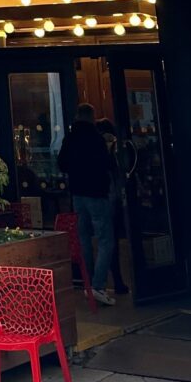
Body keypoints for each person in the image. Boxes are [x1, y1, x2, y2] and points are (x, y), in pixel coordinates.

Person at [57, 103, 116, 305]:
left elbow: (61, 164)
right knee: (105, 239)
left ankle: (88, 284)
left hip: (78, 194)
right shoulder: (96, 138)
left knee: (83, 239)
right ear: (92, 117)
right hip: (97, 192)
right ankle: (98, 285)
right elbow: (107, 164)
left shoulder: (71, 138)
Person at [96, 119, 129, 297]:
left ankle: (106, 281)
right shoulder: (112, 146)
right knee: (111, 240)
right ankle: (113, 281)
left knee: (107, 240)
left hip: (102, 197)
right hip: (112, 196)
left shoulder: (93, 148)